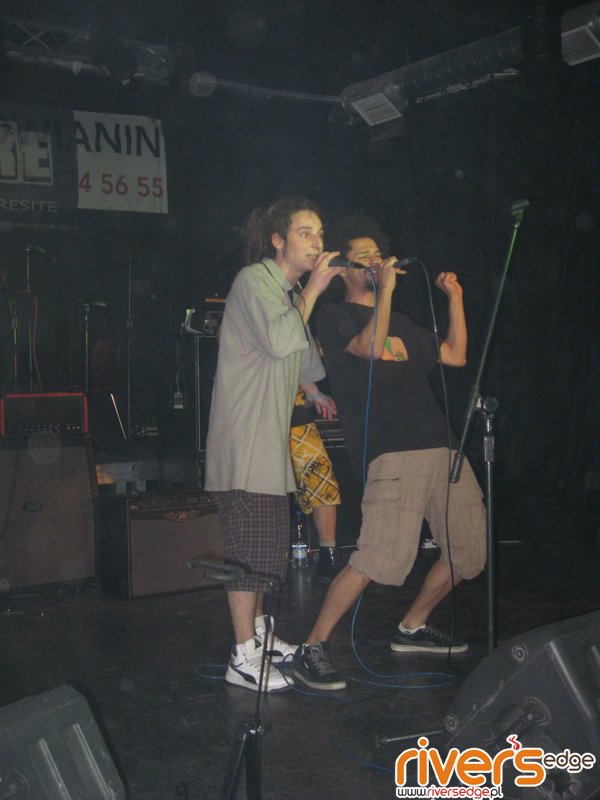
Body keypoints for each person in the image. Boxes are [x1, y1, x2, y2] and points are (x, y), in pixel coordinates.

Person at [292, 214, 487, 691]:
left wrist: (456, 299)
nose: (376, 263)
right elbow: (372, 348)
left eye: (377, 256)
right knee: (379, 558)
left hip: (442, 448)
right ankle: (311, 647)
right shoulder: (333, 317)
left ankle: (412, 627)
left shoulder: (402, 322)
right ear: (343, 270)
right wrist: (386, 293)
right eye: (364, 258)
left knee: (469, 553)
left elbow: (456, 355)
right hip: (392, 453)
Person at [204, 197, 345, 693]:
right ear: (278, 240)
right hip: (244, 443)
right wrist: (316, 289)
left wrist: (314, 391)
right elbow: (282, 341)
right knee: (249, 555)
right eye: (306, 232)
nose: (317, 242)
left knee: (266, 552)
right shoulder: (253, 282)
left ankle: (260, 638)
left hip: (267, 444)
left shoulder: (287, 295)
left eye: (320, 233)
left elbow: (303, 359)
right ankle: (243, 656)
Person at [289, 386, 345, 582]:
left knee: (322, 479)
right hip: (260, 416)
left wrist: (313, 393)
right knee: (265, 488)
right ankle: (266, 559)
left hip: (297, 415)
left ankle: (328, 555)